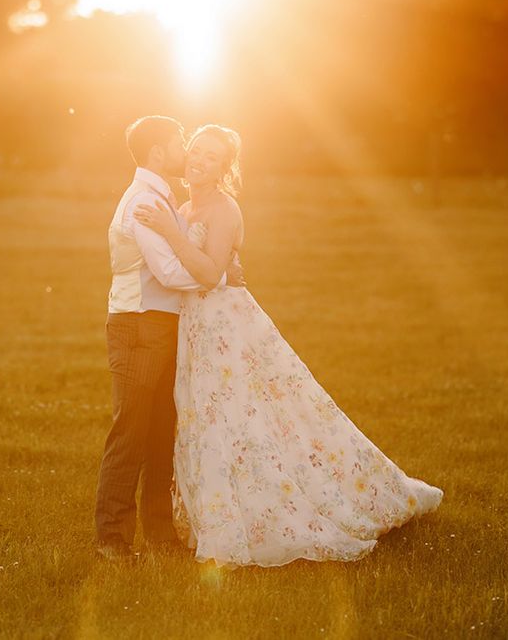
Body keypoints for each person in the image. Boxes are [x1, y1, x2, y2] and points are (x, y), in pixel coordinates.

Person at [133, 124, 443, 568]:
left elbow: (206, 273)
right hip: (196, 331)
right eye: (197, 150)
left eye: (213, 157)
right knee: (208, 421)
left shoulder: (224, 209)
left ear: (224, 169)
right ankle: (219, 514)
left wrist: (170, 229)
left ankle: (328, 500)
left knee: (257, 416)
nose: (200, 159)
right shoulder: (184, 206)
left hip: (228, 330)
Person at [95, 116, 242, 561]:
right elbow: (170, 271)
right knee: (132, 430)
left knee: (162, 432)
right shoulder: (143, 201)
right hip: (139, 324)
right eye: (181, 143)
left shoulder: (163, 197)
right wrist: (218, 276)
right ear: (159, 153)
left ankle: (159, 533)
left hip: (161, 323)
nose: (187, 152)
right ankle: (112, 538)